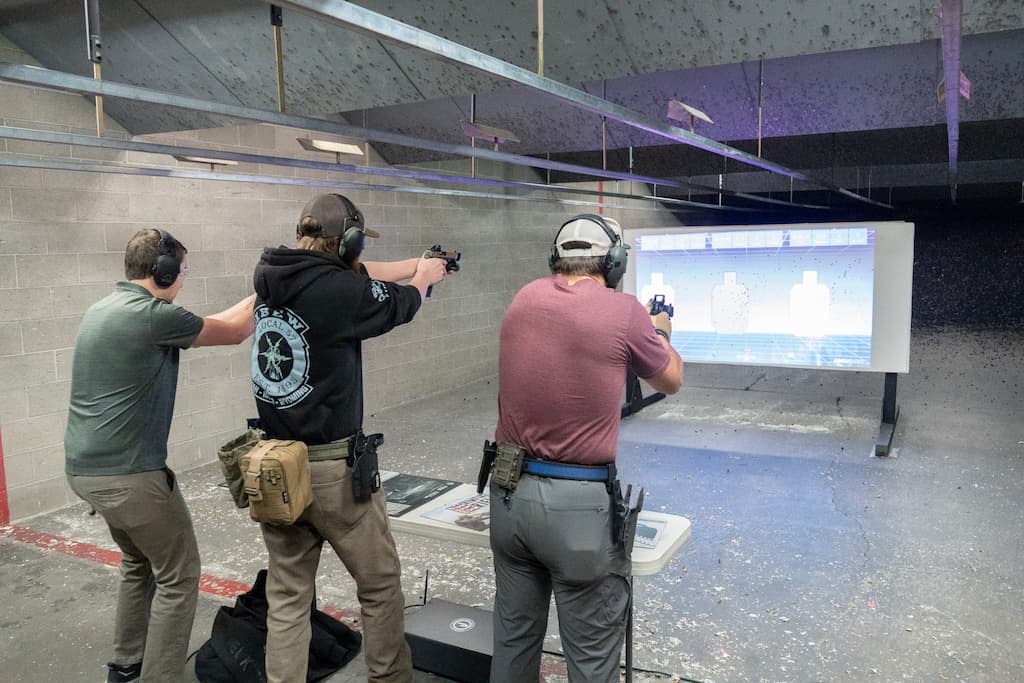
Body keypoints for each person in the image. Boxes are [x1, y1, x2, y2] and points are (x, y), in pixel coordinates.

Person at [250, 193, 448, 683]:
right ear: (348, 243)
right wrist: (424, 280)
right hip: (333, 472)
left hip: (276, 465)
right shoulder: (339, 292)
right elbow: (402, 304)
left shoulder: (273, 276)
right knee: (379, 585)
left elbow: (358, 276)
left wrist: (417, 264)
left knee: (288, 596)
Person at [488, 213, 683, 683]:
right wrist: (659, 331)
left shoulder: (524, 298)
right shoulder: (625, 311)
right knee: (593, 662)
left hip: (509, 498)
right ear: (614, 262)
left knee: (513, 645)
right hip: (577, 513)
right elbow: (671, 379)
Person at [64, 228, 256, 683]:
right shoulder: (152, 316)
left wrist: (256, 293)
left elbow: (208, 322)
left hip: (86, 471)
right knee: (179, 574)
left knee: (138, 562)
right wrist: (272, 288)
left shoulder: (105, 308)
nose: (183, 280)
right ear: (164, 271)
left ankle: (125, 665)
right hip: (130, 478)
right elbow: (235, 332)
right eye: (182, 272)